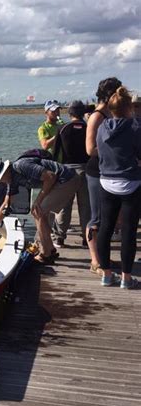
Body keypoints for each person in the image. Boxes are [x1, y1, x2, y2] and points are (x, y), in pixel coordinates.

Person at [0, 155, 80, 264]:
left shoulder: (21, 166)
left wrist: (38, 200)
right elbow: (6, 204)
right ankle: (50, 250)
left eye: (0, 178)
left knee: (38, 210)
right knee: (38, 211)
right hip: (59, 181)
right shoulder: (11, 180)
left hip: (67, 179)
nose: (2, 182)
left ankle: (46, 253)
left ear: (5, 171)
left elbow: (51, 176)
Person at [96, 87, 141, 289]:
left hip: (106, 181)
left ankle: (106, 275)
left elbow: (100, 153)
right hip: (131, 182)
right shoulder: (135, 127)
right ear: (129, 108)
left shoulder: (102, 127)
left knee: (105, 228)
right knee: (129, 231)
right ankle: (126, 277)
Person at [85, 77, 122, 275]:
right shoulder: (97, 116)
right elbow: (90, 149)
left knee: (111, 217)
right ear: (109, 94)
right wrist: (114, 150)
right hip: (96, 171)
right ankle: (95, 261)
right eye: (117, 91)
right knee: (96, 217)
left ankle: (103, 257)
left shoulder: (114, 113)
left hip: (111, 170)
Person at [53, 100, 91, 246]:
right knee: (86, 206)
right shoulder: (88, 127)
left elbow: (56, 154)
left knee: (64, 205)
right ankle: (86, 238)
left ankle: (60, 237)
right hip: (86, 169)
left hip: (66, 170)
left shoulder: (63, 128)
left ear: (70, 114)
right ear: (82, 113)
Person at [38, 99, 70, 247]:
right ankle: (48, 229)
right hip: (51, 166)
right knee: (49, 198)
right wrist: (58, 133)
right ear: (46, 112)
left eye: (58, 110)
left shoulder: (61, 125)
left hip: (64, 165)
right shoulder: (43, 128)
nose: (56, 113)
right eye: (53, 111)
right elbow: (44, 145)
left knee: (64, 200)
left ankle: (60, 230)